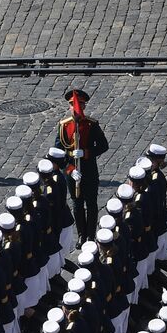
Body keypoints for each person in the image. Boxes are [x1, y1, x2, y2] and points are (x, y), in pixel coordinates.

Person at [56, 88, 110, 244]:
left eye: (79, 105)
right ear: (69, 106)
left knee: (91, 203)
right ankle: (81, 235)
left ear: (84, 107)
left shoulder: (91, 125)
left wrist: (86, 153)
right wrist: (70, 169)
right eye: (73, 105)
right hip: (72, 172)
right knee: (77, 203)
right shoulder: (63, 126)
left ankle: (91, 235)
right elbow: (58, 153)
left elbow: (103, 146)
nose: (76, 108)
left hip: (89, 169)